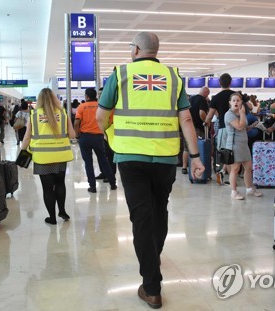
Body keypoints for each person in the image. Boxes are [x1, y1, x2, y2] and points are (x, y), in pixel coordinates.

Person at [96, 31, 205, 309]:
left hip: (130, 159)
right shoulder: (173, 77)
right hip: (166, 158)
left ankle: (152, 286)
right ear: (155, 51)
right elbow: (187, 119)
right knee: (159, 211)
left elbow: (100, 116)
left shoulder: (119, 74)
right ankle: (152, 259)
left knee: (141, 218)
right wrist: (194, 156)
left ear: (135, 50)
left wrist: (112, 135)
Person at [21, 88, 75, 225]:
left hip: (42, 158)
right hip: (60, 155)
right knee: (60, 184)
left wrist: (22, 152)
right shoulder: (63, 113)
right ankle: (62, 211)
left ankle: (52, 218)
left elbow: (27, 137)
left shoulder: (33, 115)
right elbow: (73, 135)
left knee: (47, 189)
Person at [74, 88, 117, 193]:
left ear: (87, 96)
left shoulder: (82, 106)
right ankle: (112, 183)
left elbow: (76, 123)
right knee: (104, 160)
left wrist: (77, 135)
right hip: (98, 137)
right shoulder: (101, 107)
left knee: (88, 163)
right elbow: (110, 120)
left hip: (85, 137)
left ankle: (92, 187)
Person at [223, 93, 263, 200]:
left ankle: (249, 189)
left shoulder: (242, 113)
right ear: (230, 103)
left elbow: (244, 127)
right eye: (234, 100)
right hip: (234, 144)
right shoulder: (229, 114)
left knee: (248, 167)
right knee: (235, 169)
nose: (236, 102)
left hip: (243, 144)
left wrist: (251, 126)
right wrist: (242, 114)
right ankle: (234, 191)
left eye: (238, 100)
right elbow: (239, 126)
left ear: (241, 102)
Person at [204, 73, 236, 184]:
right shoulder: (236, 96)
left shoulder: (216, 98)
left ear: (219, 83)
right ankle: (227, 174)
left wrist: (206, 122)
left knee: (224, 153)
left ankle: (224, 173)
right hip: (237, 128)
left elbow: (210, 115)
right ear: (230, 82)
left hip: (224, 128)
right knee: (234, 154)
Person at [181, 86, 210, 174]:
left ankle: (184, 167)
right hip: (198, 128)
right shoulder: (202, 100)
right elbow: (201, 113)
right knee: (198, 149)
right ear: (205, 93)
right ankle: (198, 168)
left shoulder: (190, 99)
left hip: (187, 127)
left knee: (186, 148)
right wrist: (206, 121)